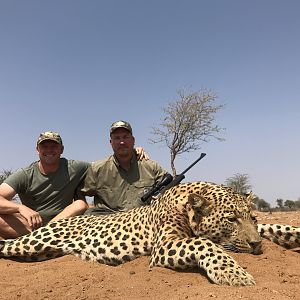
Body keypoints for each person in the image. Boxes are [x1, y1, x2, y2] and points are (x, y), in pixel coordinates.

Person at [0, 131, 89, 239]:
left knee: (80, 204)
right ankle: (44, 237)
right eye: (44, 146)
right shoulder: (25, 174)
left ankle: (43, 237)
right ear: (37, 150)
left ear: (62, 149)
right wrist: (20, 208)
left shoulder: (76, 167)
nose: (49, 150)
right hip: (31, 226)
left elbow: (100, 168)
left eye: (54, 146)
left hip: (64, 225)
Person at [82, 120, 169, 215]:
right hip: (108, 223)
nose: (122, 142)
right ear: (111, 142)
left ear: (133, 140)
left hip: (143, 221)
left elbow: (170, 188)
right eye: (117, 138)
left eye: (125, 137)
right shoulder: (97, 169)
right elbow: (80, 195)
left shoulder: (151, 167)